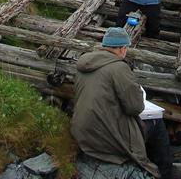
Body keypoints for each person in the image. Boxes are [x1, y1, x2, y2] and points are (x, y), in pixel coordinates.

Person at [71, 28, 173, 179]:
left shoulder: (84, 64)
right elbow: (135, 107)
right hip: (105, 138)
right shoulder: (119, 67)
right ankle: (163, 173)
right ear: (121, 48)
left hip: (82, 133)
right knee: (157, 124)